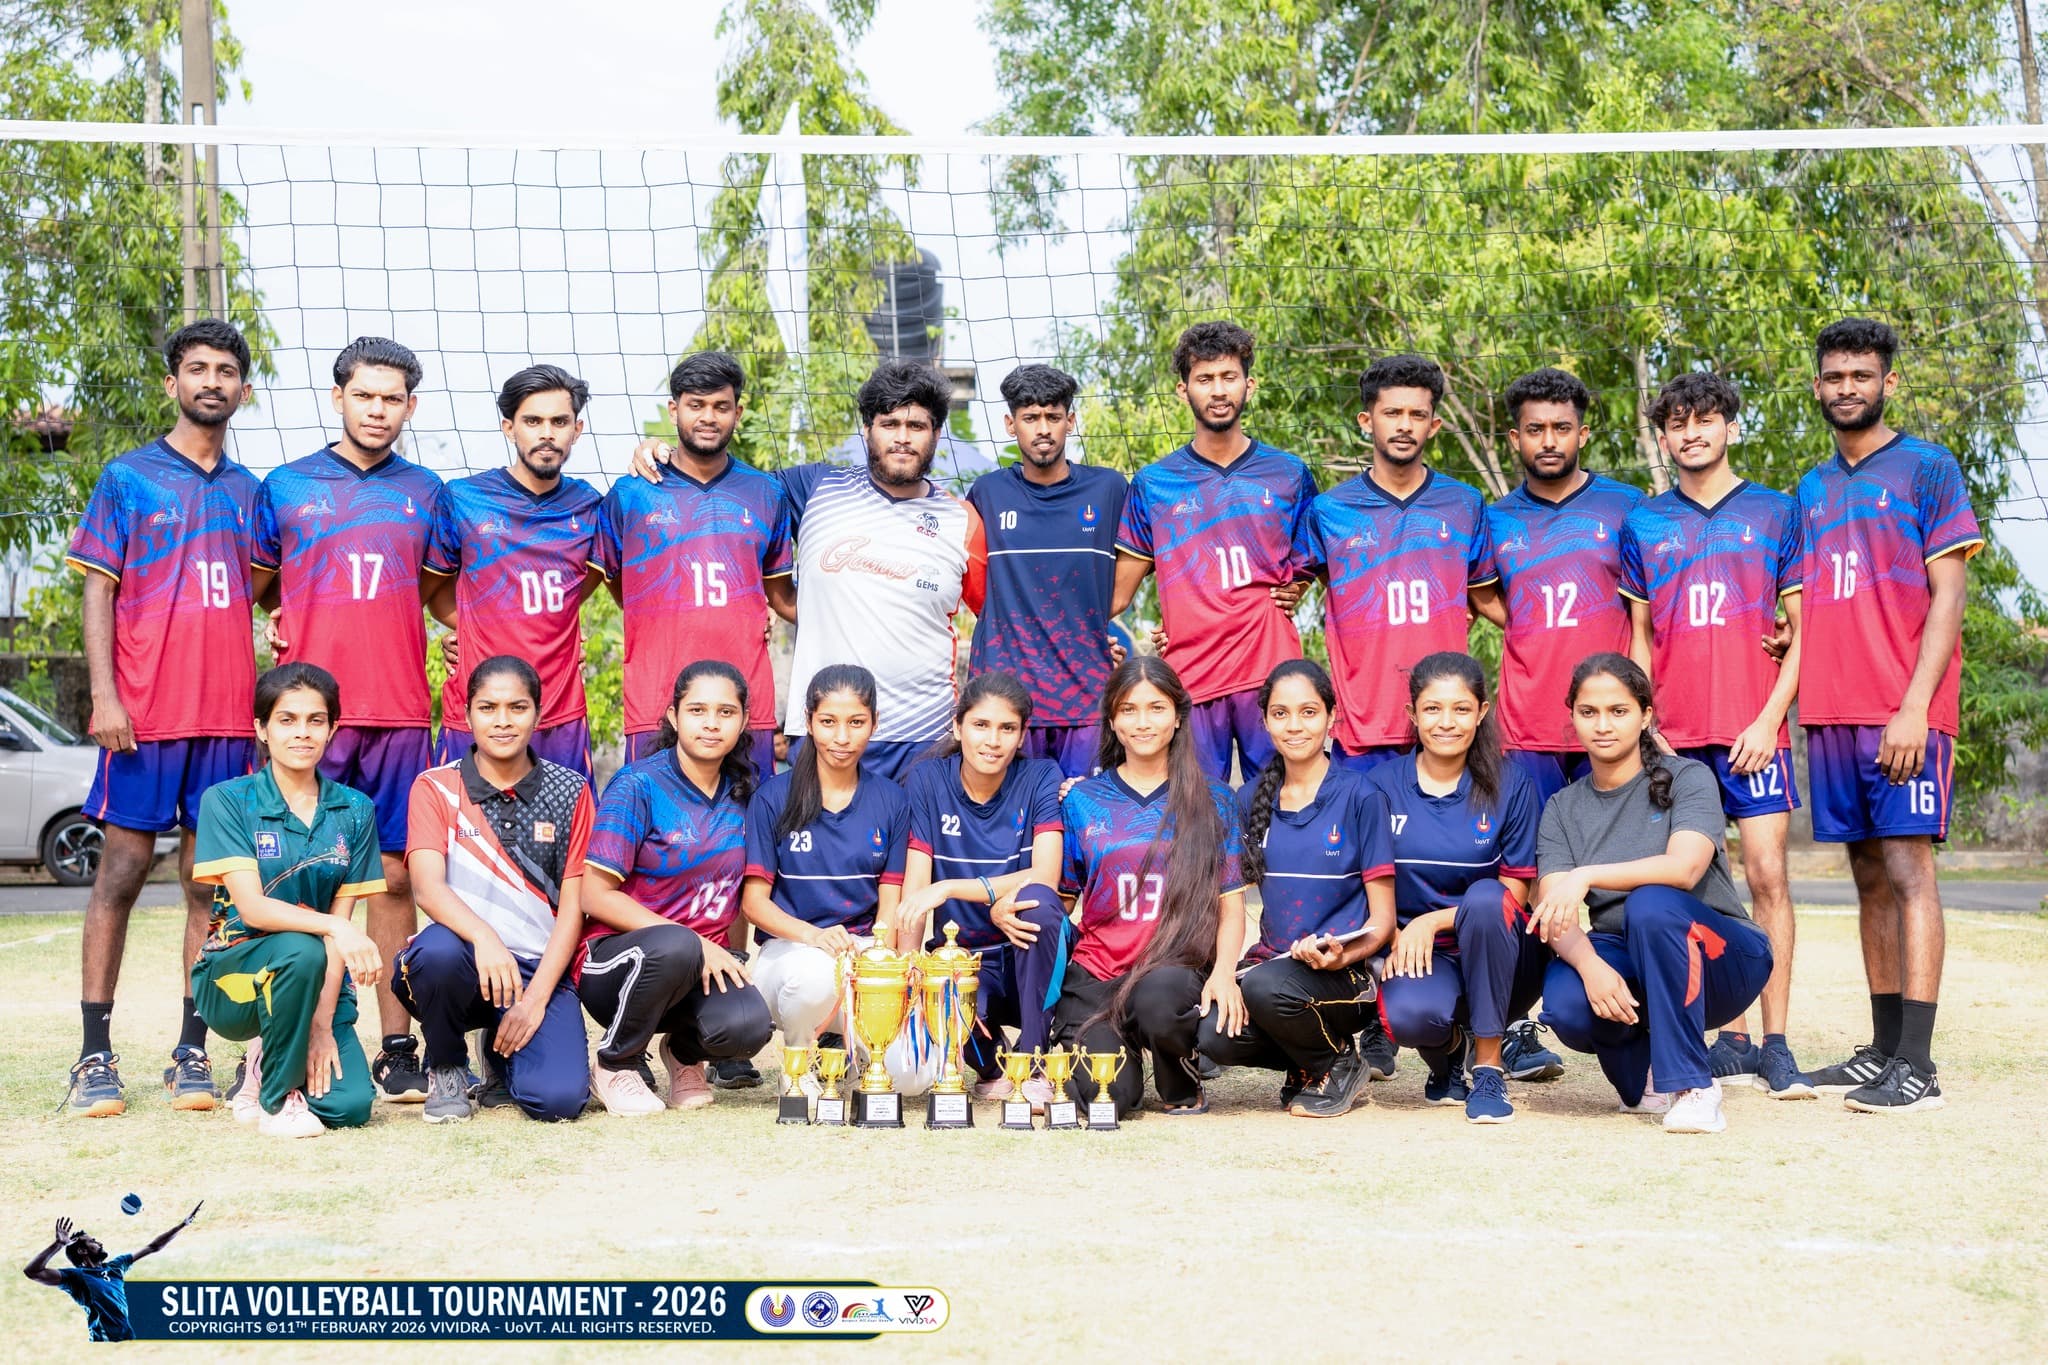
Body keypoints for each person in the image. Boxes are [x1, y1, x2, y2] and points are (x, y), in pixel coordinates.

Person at [62, 318, 262, 1117]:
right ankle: (93, 1054)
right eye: (197, 368)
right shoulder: (129, 477)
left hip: (227, 723)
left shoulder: (253, 491)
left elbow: (270, 586)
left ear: (244, 390)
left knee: (206, 888)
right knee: (119, 872)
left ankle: (191, 1051)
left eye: (226, 371)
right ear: (172, 383)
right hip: (144, 716)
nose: (211, 381)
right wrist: (106, 694)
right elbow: (98, 590)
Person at [251, 336, 446, 1107]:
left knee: (396, 876)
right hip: (310, 715)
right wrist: (284, 628)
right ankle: (290, 1034)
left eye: (391, 398)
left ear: (410, 406)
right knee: (296, 876)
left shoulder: (428, 491)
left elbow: (437, 592)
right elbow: (258, 586)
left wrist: (458, 626)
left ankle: (398, 1044)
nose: (377, 409)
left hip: (398, 710)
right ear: (338, 397)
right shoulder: (287, 484)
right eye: (364, 394)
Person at [1795, 318, 1980, 1113]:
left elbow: (1950, 596)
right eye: (1834, 376)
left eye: (1861, 376)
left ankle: (1920, 1064)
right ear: (1818, 387)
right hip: (1833, 711)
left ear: (1887, 383)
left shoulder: (1928, 468)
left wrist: (1914, 706)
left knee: (1909, 872)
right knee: (1868, 877)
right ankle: (1882, 1049)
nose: (1847, 388)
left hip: (1902, 711)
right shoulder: (1811, 486)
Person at [1621, 370, 1811, 1098]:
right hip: (1674, 740)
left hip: (1750, 733)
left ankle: (1777, 1040)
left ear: (1731, 425)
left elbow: (1804, 633)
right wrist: (1647, 725)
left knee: (1767, 875)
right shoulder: (1645, 521)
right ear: (1663, 436)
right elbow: (1640, 637)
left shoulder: (1776, 510)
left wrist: (1768, 718)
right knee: (1693, 882)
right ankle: (1723, 1033)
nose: (1690, 433)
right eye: (1676, 423)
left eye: (1704, 419)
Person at [1532, 654, 1774, 1135]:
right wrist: (1592, 968)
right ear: (1573, 716)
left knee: (1651, 903)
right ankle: (1647, 1078)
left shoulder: (1687, 777)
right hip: (1626, 955)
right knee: (1566, 1002)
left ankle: (1695, 1085)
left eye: (1618, 711)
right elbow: (1553, 913)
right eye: (1589, 712)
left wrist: (1585, 875)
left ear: (1645, 716)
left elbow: (1683, 870)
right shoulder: (1562, 806)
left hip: (1724, 957)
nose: (1603, 725)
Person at [188, 663, 386, 1139]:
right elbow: (254, 909)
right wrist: (335, 928)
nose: (303, 733)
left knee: (351, 1104)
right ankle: (277, 1099)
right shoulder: (228, 800)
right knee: (302, 947)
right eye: (287, 719)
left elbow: (341, 924)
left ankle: (264, 1060)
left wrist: (320, 1024)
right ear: (261, 728)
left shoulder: (355, 809)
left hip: (316, 979)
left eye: (316, 721)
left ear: (333, 728)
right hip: (232, 978)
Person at [1113, 321, 1317, 782]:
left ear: (1250, 383)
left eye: (1228, 377)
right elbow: (1119, 594)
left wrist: (1297, 586)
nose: (1218, 390)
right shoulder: (1153, 484)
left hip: (1272, 677)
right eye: (1205, 379)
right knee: (1201, 822)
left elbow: (1316, 561)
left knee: (1283, 810)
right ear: (1184, 391)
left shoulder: (1289, 473)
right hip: (1191, 678)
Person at [395, 655, 594, 1125]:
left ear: (538, 714)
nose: (502, 722)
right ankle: (446, 1065)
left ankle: (501, 1056)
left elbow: (573, 910)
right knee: (436, 953)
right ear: (466, 715)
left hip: (536, 969)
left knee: (558, 1102)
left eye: (517, 708)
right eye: (488, 708)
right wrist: (485, 938)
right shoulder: (435, 788)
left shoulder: (572, 790)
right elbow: (426, 888)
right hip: (462, 962)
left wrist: (535, 999)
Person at [1196, 660, 1395, 1119]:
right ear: (1264, 722)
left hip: (1347, 974)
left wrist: (1340, 955)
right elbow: (1228, 900)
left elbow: (1383, 920)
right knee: (1212, 1030)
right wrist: (1223, 972)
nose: (1295, 726)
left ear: (1331, 717)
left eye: (1308, 712)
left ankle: (1338, 1065)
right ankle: (1306, 1063)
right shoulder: (1248, 800)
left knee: (1267, 990)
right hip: (1275, 967)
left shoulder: (1361, 797)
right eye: (1281, 714)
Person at [578, 661, 775, 1116]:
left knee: (749, 1026)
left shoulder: (746, 793)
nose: (711, 723)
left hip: (699, 966)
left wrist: (721, 952)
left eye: (726, 712)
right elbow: (594, 895)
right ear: (673, 716)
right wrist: (693, 943)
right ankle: (614, 1063)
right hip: (620, 963)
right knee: (676, 946)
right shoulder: (638, 784)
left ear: (744, 721)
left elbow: (744, 896)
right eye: (697, 710)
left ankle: (684, 1056)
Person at [1055, 655, 1247, 1119]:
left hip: (1171, 971)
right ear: (1113, 721)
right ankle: (1109, 1051)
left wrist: (1223, 972)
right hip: (1098, 973)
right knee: (1107, 1103)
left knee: (1161, 998)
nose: (1143, 722)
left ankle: (1182, 1080)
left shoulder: (1216, 799)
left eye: (1156, 708)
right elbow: (1061, 900)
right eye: (1128, 709)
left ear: (1178, 716)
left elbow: (1232, 904)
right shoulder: (1082, 799)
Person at [1368, 653, 1550, 1123]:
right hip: (1419, 954)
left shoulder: (1512, 785)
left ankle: (1488, 1069)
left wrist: (1433, 920)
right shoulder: (1380, 787)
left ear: (1482, 712)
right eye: (1432, 709)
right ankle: (1449, 1053)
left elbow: (1515, 893)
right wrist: (1398, 936)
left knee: (1487, 898)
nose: (1446, 722)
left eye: (1461, 709)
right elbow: (1370, 884)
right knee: (1411, 1017)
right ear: (1412, 715)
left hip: (1502, 951)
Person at [785, 362, 989, 781]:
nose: (901, 437)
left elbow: (998, 621)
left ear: (935, 433)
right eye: (889, 423)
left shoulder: (962, 520)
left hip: (923, 741)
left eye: (916, 425)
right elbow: (732, 490)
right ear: (866, 430)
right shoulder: (816, 490)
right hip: (825, 728)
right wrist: (661, 455)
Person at [593, 351, 793, 773]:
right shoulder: (631, 494)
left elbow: (776, 593)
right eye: (695, 405)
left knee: (748, 830)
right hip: (655, 701)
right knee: (655, 832)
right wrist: (654, 609)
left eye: (721, 407)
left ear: (738, 412)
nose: (708, 417)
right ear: (674, 409)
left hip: (744, 708)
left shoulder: (766, 493)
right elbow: (613, 579)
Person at [1306, 355, 1498, 772]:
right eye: (1392, 413)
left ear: (1434, 425)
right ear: (1366, 420)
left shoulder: (1465, 504)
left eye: (1417, 414)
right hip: (1363, 728)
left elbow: (1487, 600)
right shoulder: (1328, 510)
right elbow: (1289, 589)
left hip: (1443, 725)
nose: (1405, 425)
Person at [894, 672, 1068, 1105]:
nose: (993, 740)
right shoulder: (928, 779)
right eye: (981, 725)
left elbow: (1045, 875)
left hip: (1029, 951)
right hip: (967, 961)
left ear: (1022, 735)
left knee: (1042, 904)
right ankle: (993, 1065)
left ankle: (1035, 1059)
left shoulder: (1041, 775)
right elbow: (917, 887)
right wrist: (909, 967)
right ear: (957, 727)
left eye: (1007, 728)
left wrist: (952, 887)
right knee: (940, 984)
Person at [1472, 369, 1644, 805]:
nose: (1549, 440)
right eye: (1535, 429)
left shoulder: (1628, 505)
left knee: (1611, 854)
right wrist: (1524, 623)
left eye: (1561, 428)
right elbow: (1477, 589)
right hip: (1528, 720)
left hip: (1609, 714)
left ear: (1582, 434)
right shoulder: (1493, 518)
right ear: (1515, 437)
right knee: (1532, 855)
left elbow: (1653, 601)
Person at [424, 364, 603, 780]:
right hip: (477, 712)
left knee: (567, 844)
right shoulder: (463, 499)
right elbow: (432, 594)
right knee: (460, 841)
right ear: (509, 427)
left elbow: (579, 589)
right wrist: (471, 630)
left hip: (560, 714)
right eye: (533, 421)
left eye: (559, 422)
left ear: (576, 429)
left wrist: (551, 624)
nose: (547, 433)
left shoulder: (589, 505)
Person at [741, 665, 913, 1083]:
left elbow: (889, 904)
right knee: (815, 980)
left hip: (859, 954)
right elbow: (753, 904)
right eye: (828, 722)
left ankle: (856, 1067)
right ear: (808, 721)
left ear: (874, 723)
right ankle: (799, 1069)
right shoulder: (774, 797)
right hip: (789, 954)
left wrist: (880, 960)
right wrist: (814, 936)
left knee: (912, 1075)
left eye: (856, 723)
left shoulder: (891, 799)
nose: (841, 737)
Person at [964, 364, 1130, 777]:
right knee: (1010, 828)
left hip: (1086, 696)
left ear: (1070, 421)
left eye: (1053, 417)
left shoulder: (1109, 489)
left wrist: (1090, 627)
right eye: (1030, 417)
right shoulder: (987, 494)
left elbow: (1135, 571)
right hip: (1007, 701)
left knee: (1080, 824)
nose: (1043, 429)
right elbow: (973, 589)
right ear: (1010, 423)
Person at [23, 1203, 202, 1342]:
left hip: (128, 1339)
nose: (99, 1243)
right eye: (92, 1241)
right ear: (82, 1251)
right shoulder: (76, 1277)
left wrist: (182, 1225)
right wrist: (58, 1245)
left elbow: (153, 1246)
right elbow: (33, 1272)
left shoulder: (116, 1267)